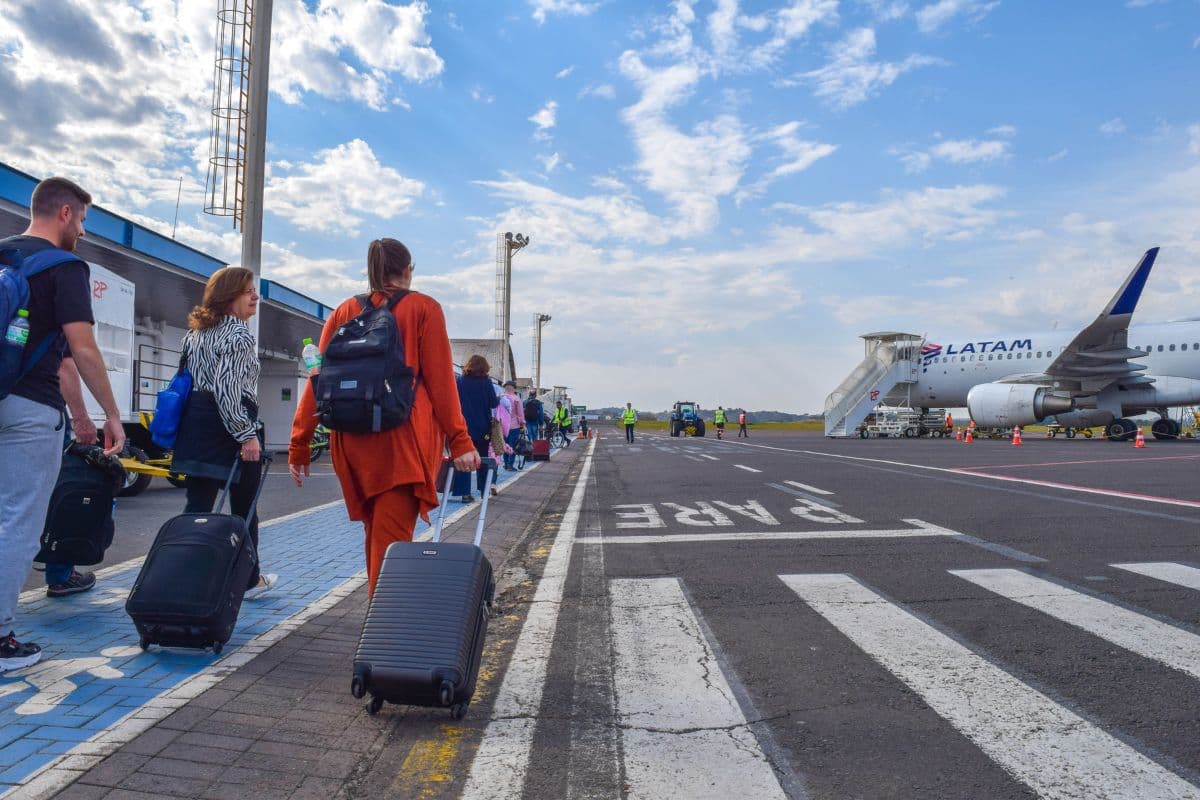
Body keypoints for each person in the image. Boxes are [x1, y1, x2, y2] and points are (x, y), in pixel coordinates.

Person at [288, 238, 478, 596]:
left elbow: (319, 380)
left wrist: (299, 444)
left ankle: (382, 625)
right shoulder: (424, 308)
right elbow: (440, 383)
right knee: (392, 546)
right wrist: (461, 440)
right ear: (408, 270)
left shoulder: (344, 311)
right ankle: (383, 634)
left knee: (377, 536)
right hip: (400, 443)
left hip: (351, 444)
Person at [0, 177, 125, 671]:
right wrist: (110, 415)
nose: (84, 233)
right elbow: (80, 349)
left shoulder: (4, 255)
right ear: (67, 213)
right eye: (85, 221)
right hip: (30, 408)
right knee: (17, 521)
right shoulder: (66, 267)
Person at [172, 267, 277, 600]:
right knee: (244, 508)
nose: (255, 296)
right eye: (249, 291)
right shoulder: (240, 336)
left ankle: (182, 572)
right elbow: (228, 389)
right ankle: (249, 579)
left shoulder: (194, 334)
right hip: (230, 426)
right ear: (230, 296)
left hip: (196, 424)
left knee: (197, 506)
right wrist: (246, 433)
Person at [456, 355, 500, 501]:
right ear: (484, 368)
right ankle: (483, 490)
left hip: (463, 426)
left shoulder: (459, 381)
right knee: (482, 459)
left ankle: (465, 493)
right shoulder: (486, 383)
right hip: (482, 428)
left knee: (463, 459)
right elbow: (494, 403)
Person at [499, 380, 524, 471]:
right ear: (514, 388)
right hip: (514, 426)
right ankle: (510, 465)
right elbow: (520, 414)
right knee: (512, 445)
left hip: (502, 426)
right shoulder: (516, 399)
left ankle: (505, 464)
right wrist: (523, 425)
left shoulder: (501, 398)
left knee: (505, 445)